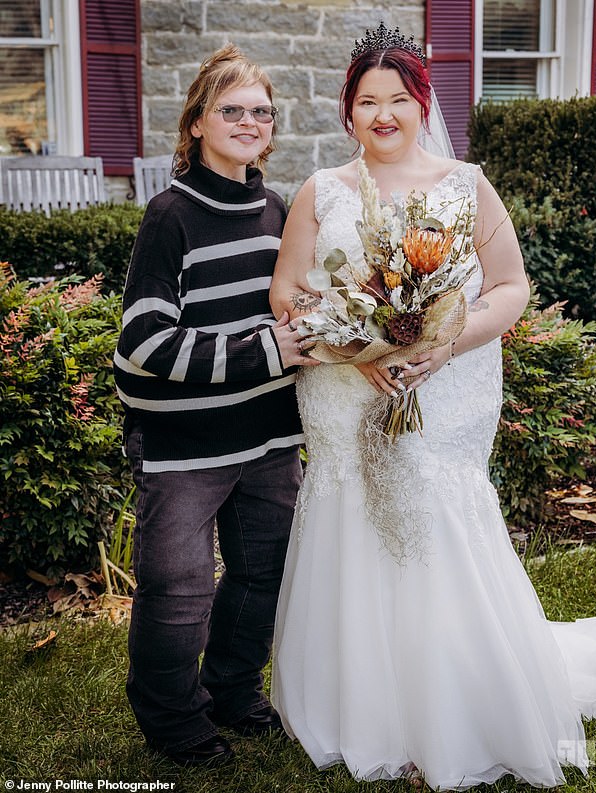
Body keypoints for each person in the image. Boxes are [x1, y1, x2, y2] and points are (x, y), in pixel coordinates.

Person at [269, 23, 596, 789]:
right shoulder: (320, 191)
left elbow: (510, 288)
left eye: (398, 98)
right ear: (348, 111)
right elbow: (290, 291)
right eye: (367, 101)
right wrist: (354, 347)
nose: (383, 115)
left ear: (422, 102)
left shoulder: (466, 185)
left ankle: (457, 699)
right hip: (345, 392)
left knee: (435, 514)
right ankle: (360, 708)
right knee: (351, 514)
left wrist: (441, 343)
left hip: (447, 387)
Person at [113, 44, 319, 767]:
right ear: (196, 122)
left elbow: (297, 306)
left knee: (263, 572)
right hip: (184, 445)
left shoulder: (276, 209)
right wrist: (268, 351)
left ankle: (234, 690)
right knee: (178, 591)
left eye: (261, 111)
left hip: (267, 437)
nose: (249, 121)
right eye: (230, 109)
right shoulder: (171, 214)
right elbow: (142, 341)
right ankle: (174, 720)